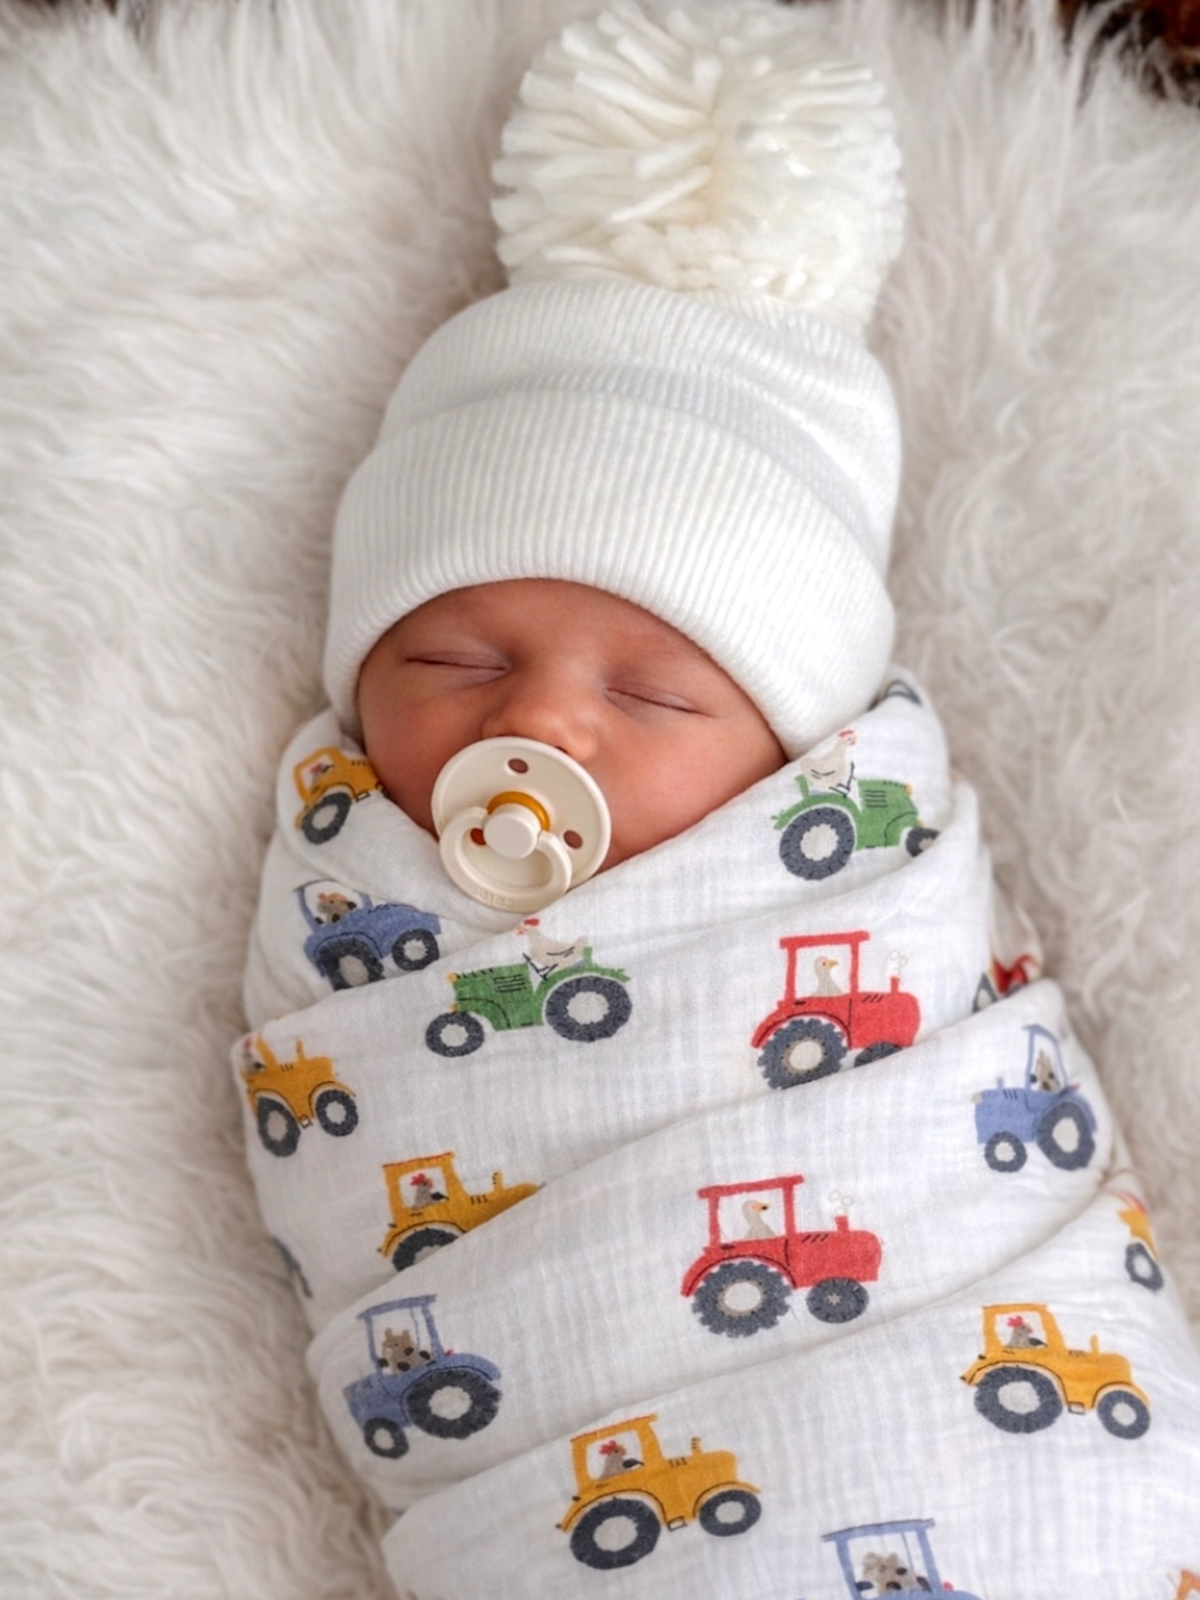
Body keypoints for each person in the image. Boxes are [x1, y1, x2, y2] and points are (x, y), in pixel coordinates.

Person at [237, 3, 1200, 1595]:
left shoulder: (850, 881)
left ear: (800, 750)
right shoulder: (342, 901)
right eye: (458, 657)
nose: (540, 721)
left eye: (652, 693)